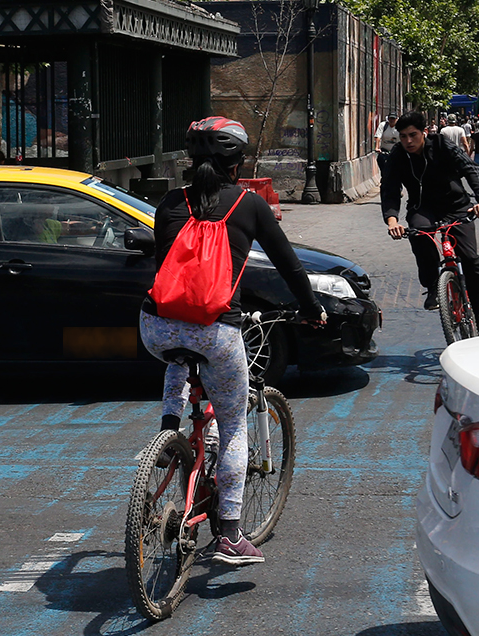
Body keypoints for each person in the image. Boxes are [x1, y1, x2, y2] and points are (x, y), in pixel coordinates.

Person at [140, 116, 326, 566]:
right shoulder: (249, 204)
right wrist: (312, 308)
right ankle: (229, 534)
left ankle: (169, 431)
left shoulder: (169, 203)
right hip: (218, 329)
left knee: (180, 355)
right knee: (234, 424)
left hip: (155, 326)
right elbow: (289, 265)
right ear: (237, 162)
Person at [380, 111, 479, 335]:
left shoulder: (442, 145)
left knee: (471, 260)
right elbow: (390, 188)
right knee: (419, 235)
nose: (408, 141)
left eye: (413, 135)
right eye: (403, 137)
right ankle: (433, 287)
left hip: (456, 207)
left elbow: (470, 169)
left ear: (424, 132)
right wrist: (392, 221)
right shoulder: (397, 156)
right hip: (422, 208)